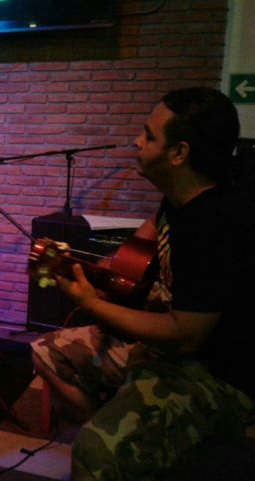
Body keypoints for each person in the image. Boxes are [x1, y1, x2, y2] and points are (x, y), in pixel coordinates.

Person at [30, 87, 255, 480]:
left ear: (179, 153)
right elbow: (152, 229)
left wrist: (92, 303)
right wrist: (114, 267)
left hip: (214, 375)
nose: (137, 141)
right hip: (164, 349)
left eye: (149, 136)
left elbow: (185, 336)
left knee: (95, 449)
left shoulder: (215, 224)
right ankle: (129, 453)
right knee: (48, 353)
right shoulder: (179, 197)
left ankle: (114, 452)